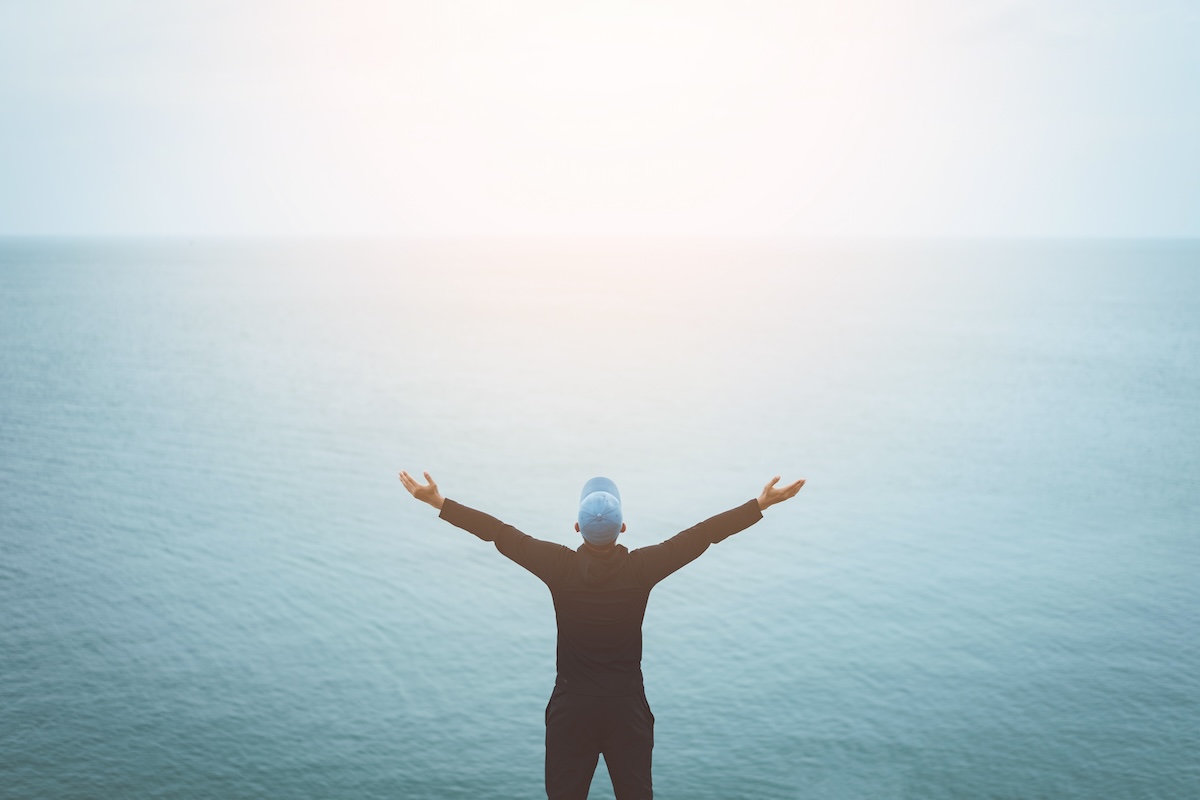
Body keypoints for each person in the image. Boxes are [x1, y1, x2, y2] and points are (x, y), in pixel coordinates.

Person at [398, 470, 805, 800]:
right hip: (626, 709)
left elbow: (498, 532)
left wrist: (438, 502)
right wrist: (761, 504)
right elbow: (703, 535)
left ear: (576, 527)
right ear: (623, 527)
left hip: (571, 707)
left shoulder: (557, 566)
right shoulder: (642, 569)